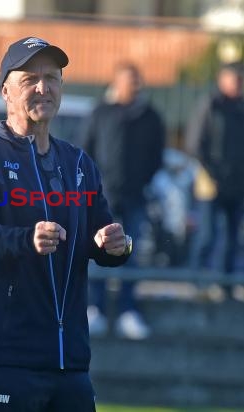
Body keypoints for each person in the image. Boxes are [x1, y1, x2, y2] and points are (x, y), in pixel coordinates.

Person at [0, 36, 132, 412]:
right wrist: (26, 239)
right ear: (5, 91)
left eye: (52, 78)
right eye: (29, 79)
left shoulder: (78, 163)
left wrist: (117, 244)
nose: (43, 87)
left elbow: (103, 243)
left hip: (69, 361)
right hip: (5, 356)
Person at [81, 62, 165, 339]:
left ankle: (129, 310)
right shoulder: (100, 113)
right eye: (128, 81)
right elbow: (85, 150)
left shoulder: (150, 116)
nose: (133, 86)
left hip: (136, 197)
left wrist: (142, 180)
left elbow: (157, 155)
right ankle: (96, 309)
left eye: (136, 81)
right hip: (102, 198)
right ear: (116, 83)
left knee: (132, 253)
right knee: (100, 252)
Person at [185, 61, 244, 299]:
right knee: (207, 233)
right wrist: (214, 173)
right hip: (211, 182)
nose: (238, 83)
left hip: (238, 184)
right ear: (222, 79)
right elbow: (195, 144)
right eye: (234, 78)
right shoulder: (209, 105)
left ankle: (226, 285)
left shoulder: (241, 108)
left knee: (232, 237)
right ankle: (196, 283)